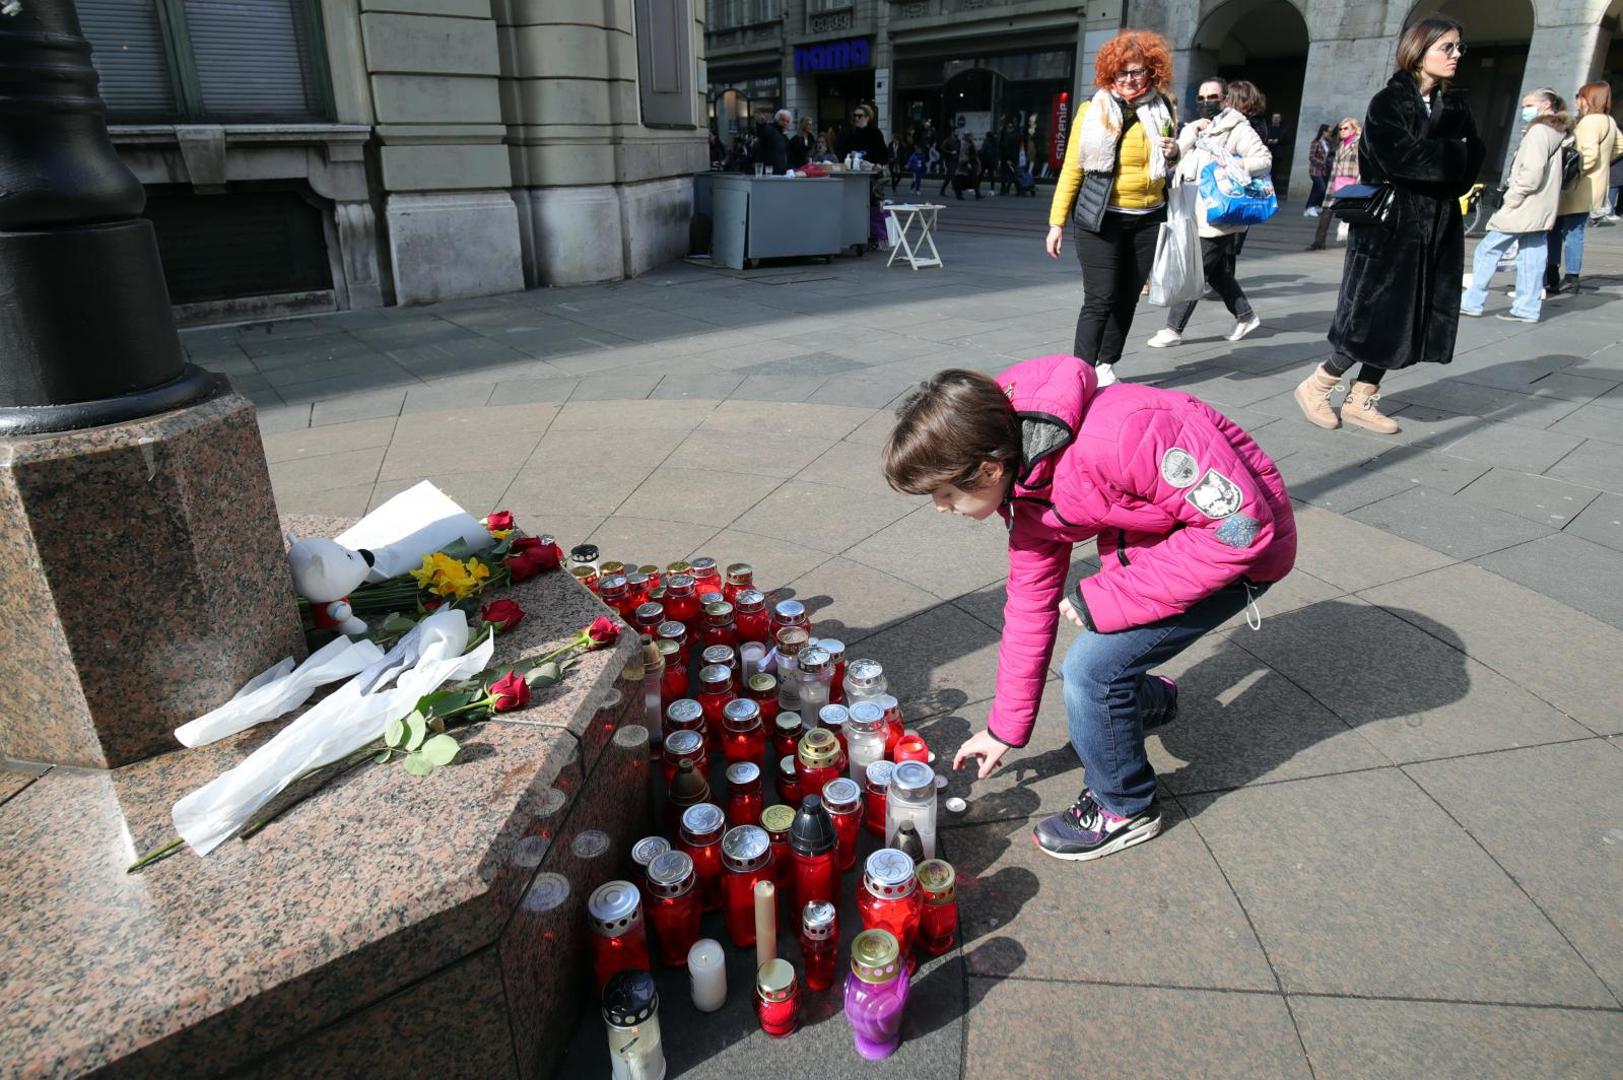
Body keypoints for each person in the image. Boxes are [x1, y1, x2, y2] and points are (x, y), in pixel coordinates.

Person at [885, 361, 1296, 862]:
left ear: (988, 468)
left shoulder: (1125, 431)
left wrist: (1108, 598)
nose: (939, 507)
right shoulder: (1024, 480)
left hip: (1238, 553)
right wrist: (1002, 728)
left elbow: (1241, 528)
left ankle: (1125, 806)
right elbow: (1028, 608)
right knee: (1109, 665)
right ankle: (1147, 701)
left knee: (1092, 673)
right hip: (1165, 543)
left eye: (944, 493)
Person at [1293, 16, 1483, 435]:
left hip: (1438, 226)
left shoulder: (1455, 105)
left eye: (1458, 48)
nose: (1455, 56)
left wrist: (1447, 159)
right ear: (1420, 50)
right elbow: (1403, 161)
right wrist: (1452, 154)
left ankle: (1362, 398)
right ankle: (1318, 384)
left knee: (1410, 317)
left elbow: (1473, 162)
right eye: (1447, 47)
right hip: (1390, 225)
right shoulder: (1387, 102)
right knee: (1374, 313)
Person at [1046, 29, 1180, 387]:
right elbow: (1073, 167)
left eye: (1137, 71)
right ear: (1111, 73)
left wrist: (1175, 153)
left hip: (1148, 216)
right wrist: (1056, 222)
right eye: (1122, 72)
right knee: (1100, 297)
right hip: (1100, 218)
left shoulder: (1162, 107)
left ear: (1152, 70)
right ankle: (1080, 372)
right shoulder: (1093, 110)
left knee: (1127, 297)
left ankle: (1106, 364)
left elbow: (1171, 161)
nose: (1129, 79)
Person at [1147, 79, 1270, 349]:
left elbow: (1263, 160)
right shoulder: (1199, 128)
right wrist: (1189, 133)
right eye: (1201, 98)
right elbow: (1177, 157)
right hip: (1194, 211)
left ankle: (1172, 329)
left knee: (1195, 271)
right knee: (1216, 274)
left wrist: (1231, 165)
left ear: (1224, 98)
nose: (1206, 102)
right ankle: (1245, 315)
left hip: (1219, 215)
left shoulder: (1238, 128)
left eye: (1212, 96)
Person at [1459, 89, 1569, 324]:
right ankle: (1527, 308)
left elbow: (1531, 173)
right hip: (1541, 205)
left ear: (1546, 104)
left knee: (1487, 249)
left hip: (1525, 205)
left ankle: (1472, 301)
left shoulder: (1539, 131)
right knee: (1532, 253)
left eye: (1528, 105)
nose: (1524, 110)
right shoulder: (1555, 131)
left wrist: (1512, 199)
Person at [1545, 82, 1623, 295]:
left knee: (1564, 230)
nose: (1577, 101)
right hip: (1593, 185)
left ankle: (1560, 274)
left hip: (1577, 186)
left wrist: (1574, 172)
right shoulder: (1609, 121)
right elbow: (1620, 146)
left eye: (1580, 96)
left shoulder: (1589, 123)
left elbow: (1588, 155)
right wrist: (1603, 164)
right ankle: (1566, 275)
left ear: (1590, 99)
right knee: (1572, 230)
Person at [1307, 118, 1362, 250]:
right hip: (1336, 182)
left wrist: (1359, 185)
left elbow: (1362, 166)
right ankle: (1319, 242)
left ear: (1354, 129)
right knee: (1326, 212)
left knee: (1350, 215)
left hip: (1351, 184)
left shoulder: (1360, 145)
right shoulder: (1340, 145)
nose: (1342, 131)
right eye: (1341, 129)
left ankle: (1353, 244)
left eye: (1346, 128)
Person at [836, 103, 889, 168]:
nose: (856, 118)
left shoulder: (875, 133)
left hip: (870, 171)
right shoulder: (849, 133)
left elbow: (883, 154)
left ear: (867, 118)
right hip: (852, 169)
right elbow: (841, 151)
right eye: (855, 115)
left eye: (859, 116)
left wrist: (877, 164)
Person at [1305, 123, 1333, 214]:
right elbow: (1311, 157)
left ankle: (1308, 208)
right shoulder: (1316, 142)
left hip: (1323, 171)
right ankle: (1311, 207)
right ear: (1323, 132)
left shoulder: (1327, 143)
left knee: (1315, 189)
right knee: (1321, 188)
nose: (1329, 134)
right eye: (1328, 132)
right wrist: (1322, 163)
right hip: (1315, 171)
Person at [756, 109, 791, 175]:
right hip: (769, 172)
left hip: (781, 172)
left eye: (787, 121)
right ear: (776, 119)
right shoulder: (770, 129)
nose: (785, 123)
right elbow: (762, 131)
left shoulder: (784, 135)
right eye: (782, 120)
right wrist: (761, 124)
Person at [979, 131, 1002, 196]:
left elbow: (983, 151)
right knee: (991, 175)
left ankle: (977, 188)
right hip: (992, 161)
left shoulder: (986, 141)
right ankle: (992, 189)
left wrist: (979, 153)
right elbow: (997, 152)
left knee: (981, 174)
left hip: (985, 160)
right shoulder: (995, 142)